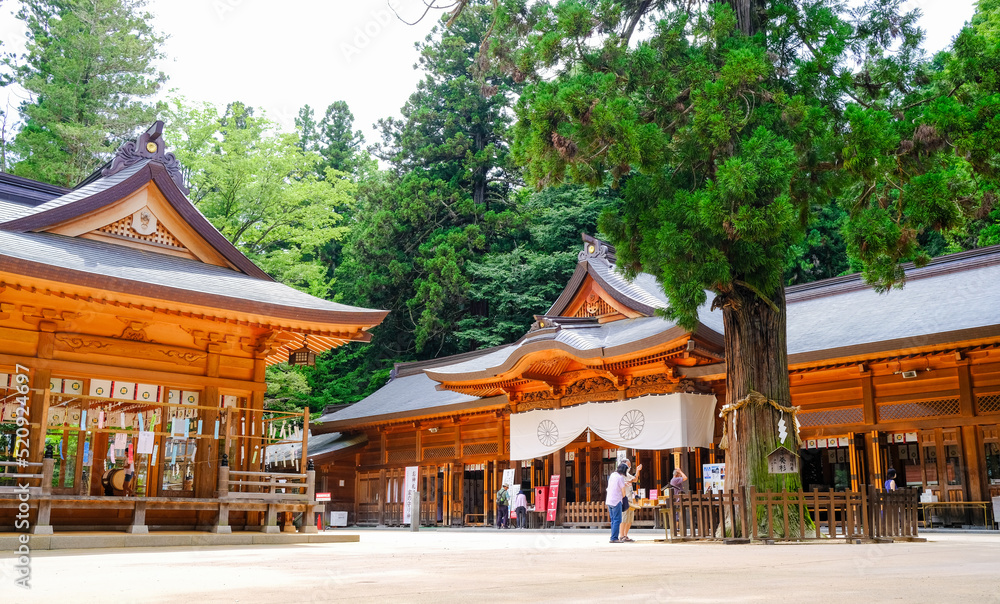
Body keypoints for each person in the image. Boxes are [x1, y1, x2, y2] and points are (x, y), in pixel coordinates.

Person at [619, 459, 642, 542]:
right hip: (623, 498)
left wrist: (637, 471)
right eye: (628, 465)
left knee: (629, 519)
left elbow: (635, 480)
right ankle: (621, 536)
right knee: (624, 518)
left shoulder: (627, 474)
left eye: (629, 465)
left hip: (630, 498)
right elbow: (623, 483)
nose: (629, 467)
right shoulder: (619, 475)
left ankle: (625, 535)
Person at [606, 462, 628, 543]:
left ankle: (613, 536)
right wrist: (623, 498)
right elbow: (623, 491)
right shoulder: (620, 478)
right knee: (617, 520)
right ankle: (614, 538)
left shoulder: (612, 475)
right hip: (616, 501)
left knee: (613, 520)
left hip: (609, 500)